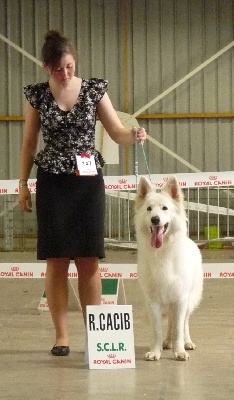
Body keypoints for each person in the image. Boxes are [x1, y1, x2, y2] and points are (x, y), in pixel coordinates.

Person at [18, 30, 147, 357]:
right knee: (56, 260)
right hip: (52, 182)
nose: (66, 73)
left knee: (90, 259)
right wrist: (22, 184)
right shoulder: (37, 95)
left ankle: (97, 337)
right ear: (46, 67)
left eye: (71, 66)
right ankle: (62, 336)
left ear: (76, 62)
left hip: (88, 181)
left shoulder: (94, 89)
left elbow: (117, 132)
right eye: (59, 68)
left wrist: (135, 135)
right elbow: (29, 143)